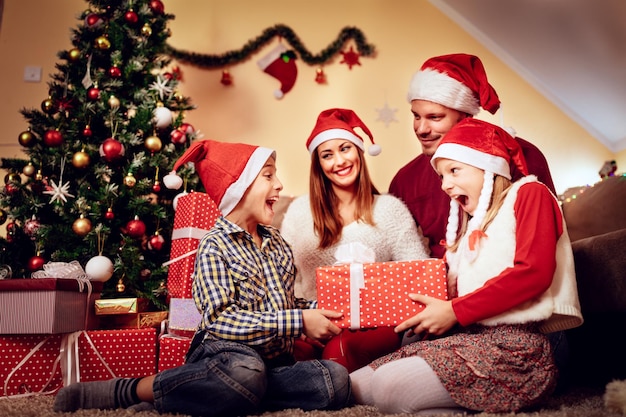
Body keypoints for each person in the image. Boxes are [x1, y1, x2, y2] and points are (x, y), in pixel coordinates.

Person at [53, 139, 351, 416]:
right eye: (268, 176)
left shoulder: (277, 244)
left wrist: (316, 309)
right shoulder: (214, 245)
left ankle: (202, 395)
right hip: (226, 354)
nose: (280, 185)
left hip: (272, 365)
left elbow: (287, 302)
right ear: (239, 187)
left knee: (334, 381)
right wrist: (298, 322)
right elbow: (221, 320)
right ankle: (134, 390)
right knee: (246, 372)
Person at [350, 118, 583, 414]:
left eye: (454, 171)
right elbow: (439, 287)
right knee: (355, 384)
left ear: (487, 167)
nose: (445, 185)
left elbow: (533, 273)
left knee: (389, 387)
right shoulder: (474, 226)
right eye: (442, 176)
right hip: (471, 340)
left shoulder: (530, 194)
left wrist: (454, 311)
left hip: (518, 349)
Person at [281, 108, 430, 372]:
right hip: (310, 325)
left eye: (345, 149)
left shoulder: (389, 209)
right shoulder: (299, 211)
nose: (339, 161)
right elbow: (283, 279)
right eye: (327, 155)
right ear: (319, 165)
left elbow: (418, 273)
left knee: (340, 353)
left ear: (359, 152)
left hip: (375, 325)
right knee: (285, 352)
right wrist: (300, 323)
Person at [390, 53, 556, 259]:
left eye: (434, 117)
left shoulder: (521, 155)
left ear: (464, 117)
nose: (421, 129)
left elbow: (546, 240)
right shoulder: (406, 179)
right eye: (416, 116)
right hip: (443, 285)